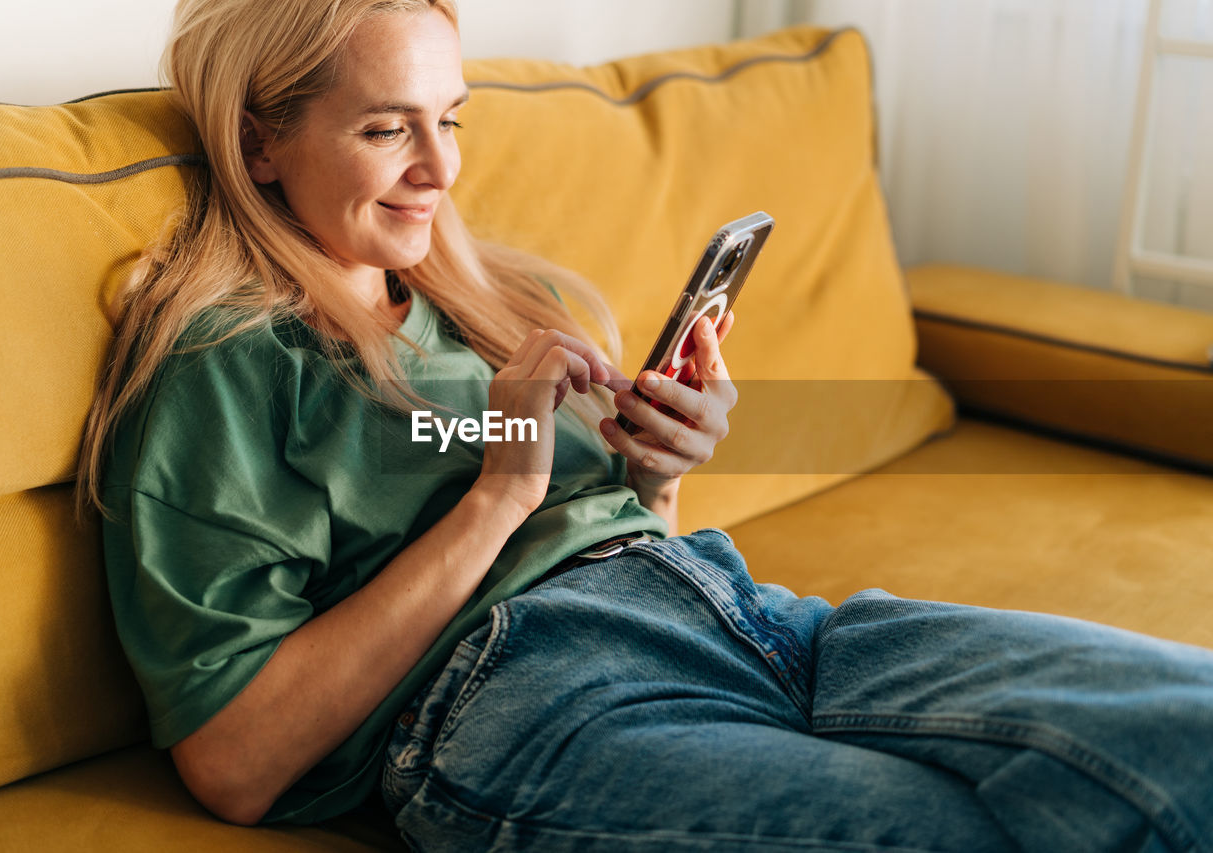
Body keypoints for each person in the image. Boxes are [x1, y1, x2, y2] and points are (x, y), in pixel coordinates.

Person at [77, 0, 1213, 849]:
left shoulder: (489, 302)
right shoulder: (226, 362)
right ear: (258, 141)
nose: (439, 169)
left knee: (1185, 728)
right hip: (526, 698)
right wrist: (498, 494)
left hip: (742, 615)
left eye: (449, 120)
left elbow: (613, 523)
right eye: (386, 129)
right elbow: (232, 762)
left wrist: (656, 470)